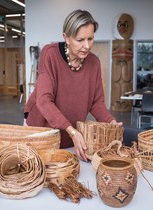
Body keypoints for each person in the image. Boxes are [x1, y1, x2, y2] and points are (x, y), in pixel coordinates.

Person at [24, 9, 122, 161]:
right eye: (80, 40)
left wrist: (110, 121)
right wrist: (72, 131)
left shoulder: (94, 62)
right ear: (66, 38)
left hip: (70, 133)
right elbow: (43, 100)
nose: (87, 45)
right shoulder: (50, 54)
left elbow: (96, 103)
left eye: (90, 38)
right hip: (41, 130)